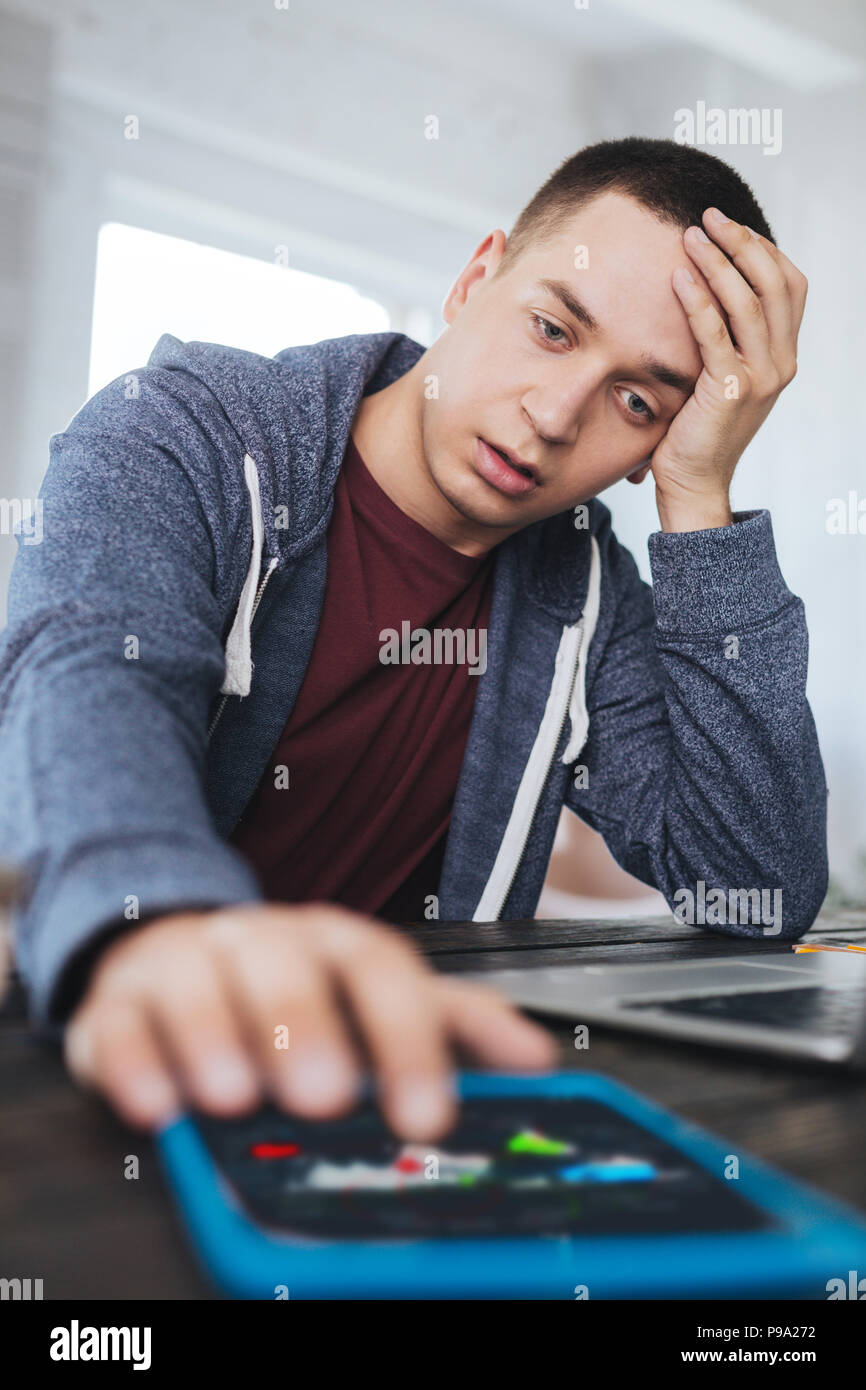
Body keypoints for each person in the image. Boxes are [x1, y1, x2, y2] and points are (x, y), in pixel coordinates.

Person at [0, 137, 826, 1144]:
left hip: (384, 1103)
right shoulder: (179, 439)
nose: (554, 415)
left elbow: (755, 888)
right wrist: (164, 927)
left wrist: (695, 495)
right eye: (551, 327)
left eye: (636, 400)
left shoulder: (591, 591)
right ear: (475, 276)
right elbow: (90, 687)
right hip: (112, 1068)